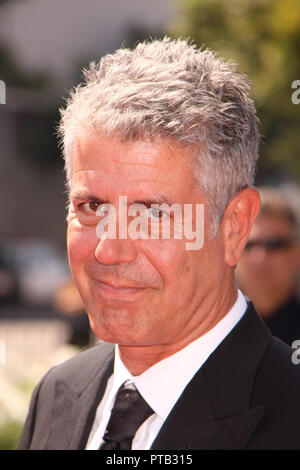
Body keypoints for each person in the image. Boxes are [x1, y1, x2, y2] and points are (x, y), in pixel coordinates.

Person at [19, 37, 300, 450]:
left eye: (152, 213)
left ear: (235, 227)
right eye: (91, 205)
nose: (108, 250)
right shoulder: (58, 395)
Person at [236, 187, 300, 346]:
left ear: (296, 254)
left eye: (273, 245)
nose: (260, 257)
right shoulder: (209, 337)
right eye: (248, 245)